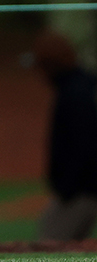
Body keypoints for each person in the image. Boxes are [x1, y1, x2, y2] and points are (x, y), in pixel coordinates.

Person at [32, 31, 97, 241]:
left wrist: (67, 188)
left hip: (82, 190)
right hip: (83, 187)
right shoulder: (83, 85)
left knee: (49, 248)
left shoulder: (75, 93)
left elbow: (83, 145)